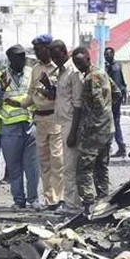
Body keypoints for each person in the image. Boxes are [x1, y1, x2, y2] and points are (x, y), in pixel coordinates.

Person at [69, 47, 120, 215]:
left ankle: (89, 205)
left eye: (80, 62)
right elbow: (117, 93)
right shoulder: (102, 73)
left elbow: (97, 103)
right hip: (107, 129)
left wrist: (91, 122)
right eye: (76, 63)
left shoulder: (92, 77)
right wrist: (109, 113)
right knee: (101, 167)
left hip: (95, 131)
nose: (78, 66)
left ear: (88, 59)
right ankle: (104, 203)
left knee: (83, 169)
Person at [16, 34, 64, 209]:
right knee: (44, 162)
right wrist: (20, 103)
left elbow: (63, 93)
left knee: (57, 161)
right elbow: (31, 93)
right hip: (40, 119)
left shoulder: (59, 67)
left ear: (47, 48)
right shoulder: (35, 69)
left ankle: (60, 199)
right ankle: (49, 200)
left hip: (55, 118)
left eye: (38, 49)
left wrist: (50, 92)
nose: (36, 53)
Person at [0, 45, 40, 210]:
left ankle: (33, 199)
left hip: (30, 126)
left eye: (24, 56)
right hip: (10, 129)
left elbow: (37, 96)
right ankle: (19, 200)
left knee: (32, 166)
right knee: (14, 167)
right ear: (10, 59)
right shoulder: (0, 76)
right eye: (18, 57)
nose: (22, 59)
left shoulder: (32, 72)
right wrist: (2, 89)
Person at [49, 39, 83, 215]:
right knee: (66, 167)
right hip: (62, 122)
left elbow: (77, 104)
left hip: (71, 123)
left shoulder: (73, 72)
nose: (54, 60)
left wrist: (73, 132)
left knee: (70, 168)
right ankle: (73, 203)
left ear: (64, 52)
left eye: (57, 56)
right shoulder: (61, 72)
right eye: (52, 57)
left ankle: (73, 206)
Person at [103, 47, 126, 157]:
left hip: (114, 100)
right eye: (105, 55)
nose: (105, 57)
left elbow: (116, 88)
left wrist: (112, 102)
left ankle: (119, 147)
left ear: (113, 54)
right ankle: (119, 146)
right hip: (113, 99)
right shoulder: (110, 66)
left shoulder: (115, 68)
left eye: (108, 55)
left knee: (113, 123)